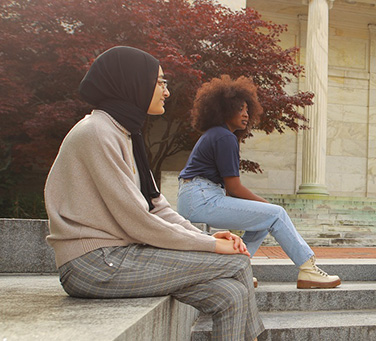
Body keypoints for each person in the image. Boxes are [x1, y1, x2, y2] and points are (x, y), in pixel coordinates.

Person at [45, 46, 264, 340]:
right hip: (93, 265)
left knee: (231, 293)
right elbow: (137, 219)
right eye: (160, 82)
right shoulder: (97, 132)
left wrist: (206, 238)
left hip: (121, 255)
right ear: (133, 81)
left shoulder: (125, 133)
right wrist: (211, 248)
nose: (166, 91)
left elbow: (156, 206)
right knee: (237, 260)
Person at [176, 75, 340, 289]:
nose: (246, 114)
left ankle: (235, 268)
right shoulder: (224, 137)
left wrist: (263, 208)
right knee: (275, 213)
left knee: (263, 220)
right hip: (201, 199)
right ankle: (308, 269)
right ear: (225, 109)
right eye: (240, 108)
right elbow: (234, 188)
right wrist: (266, 204)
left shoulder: (216, 135)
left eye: (247, 109)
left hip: (196, 197)